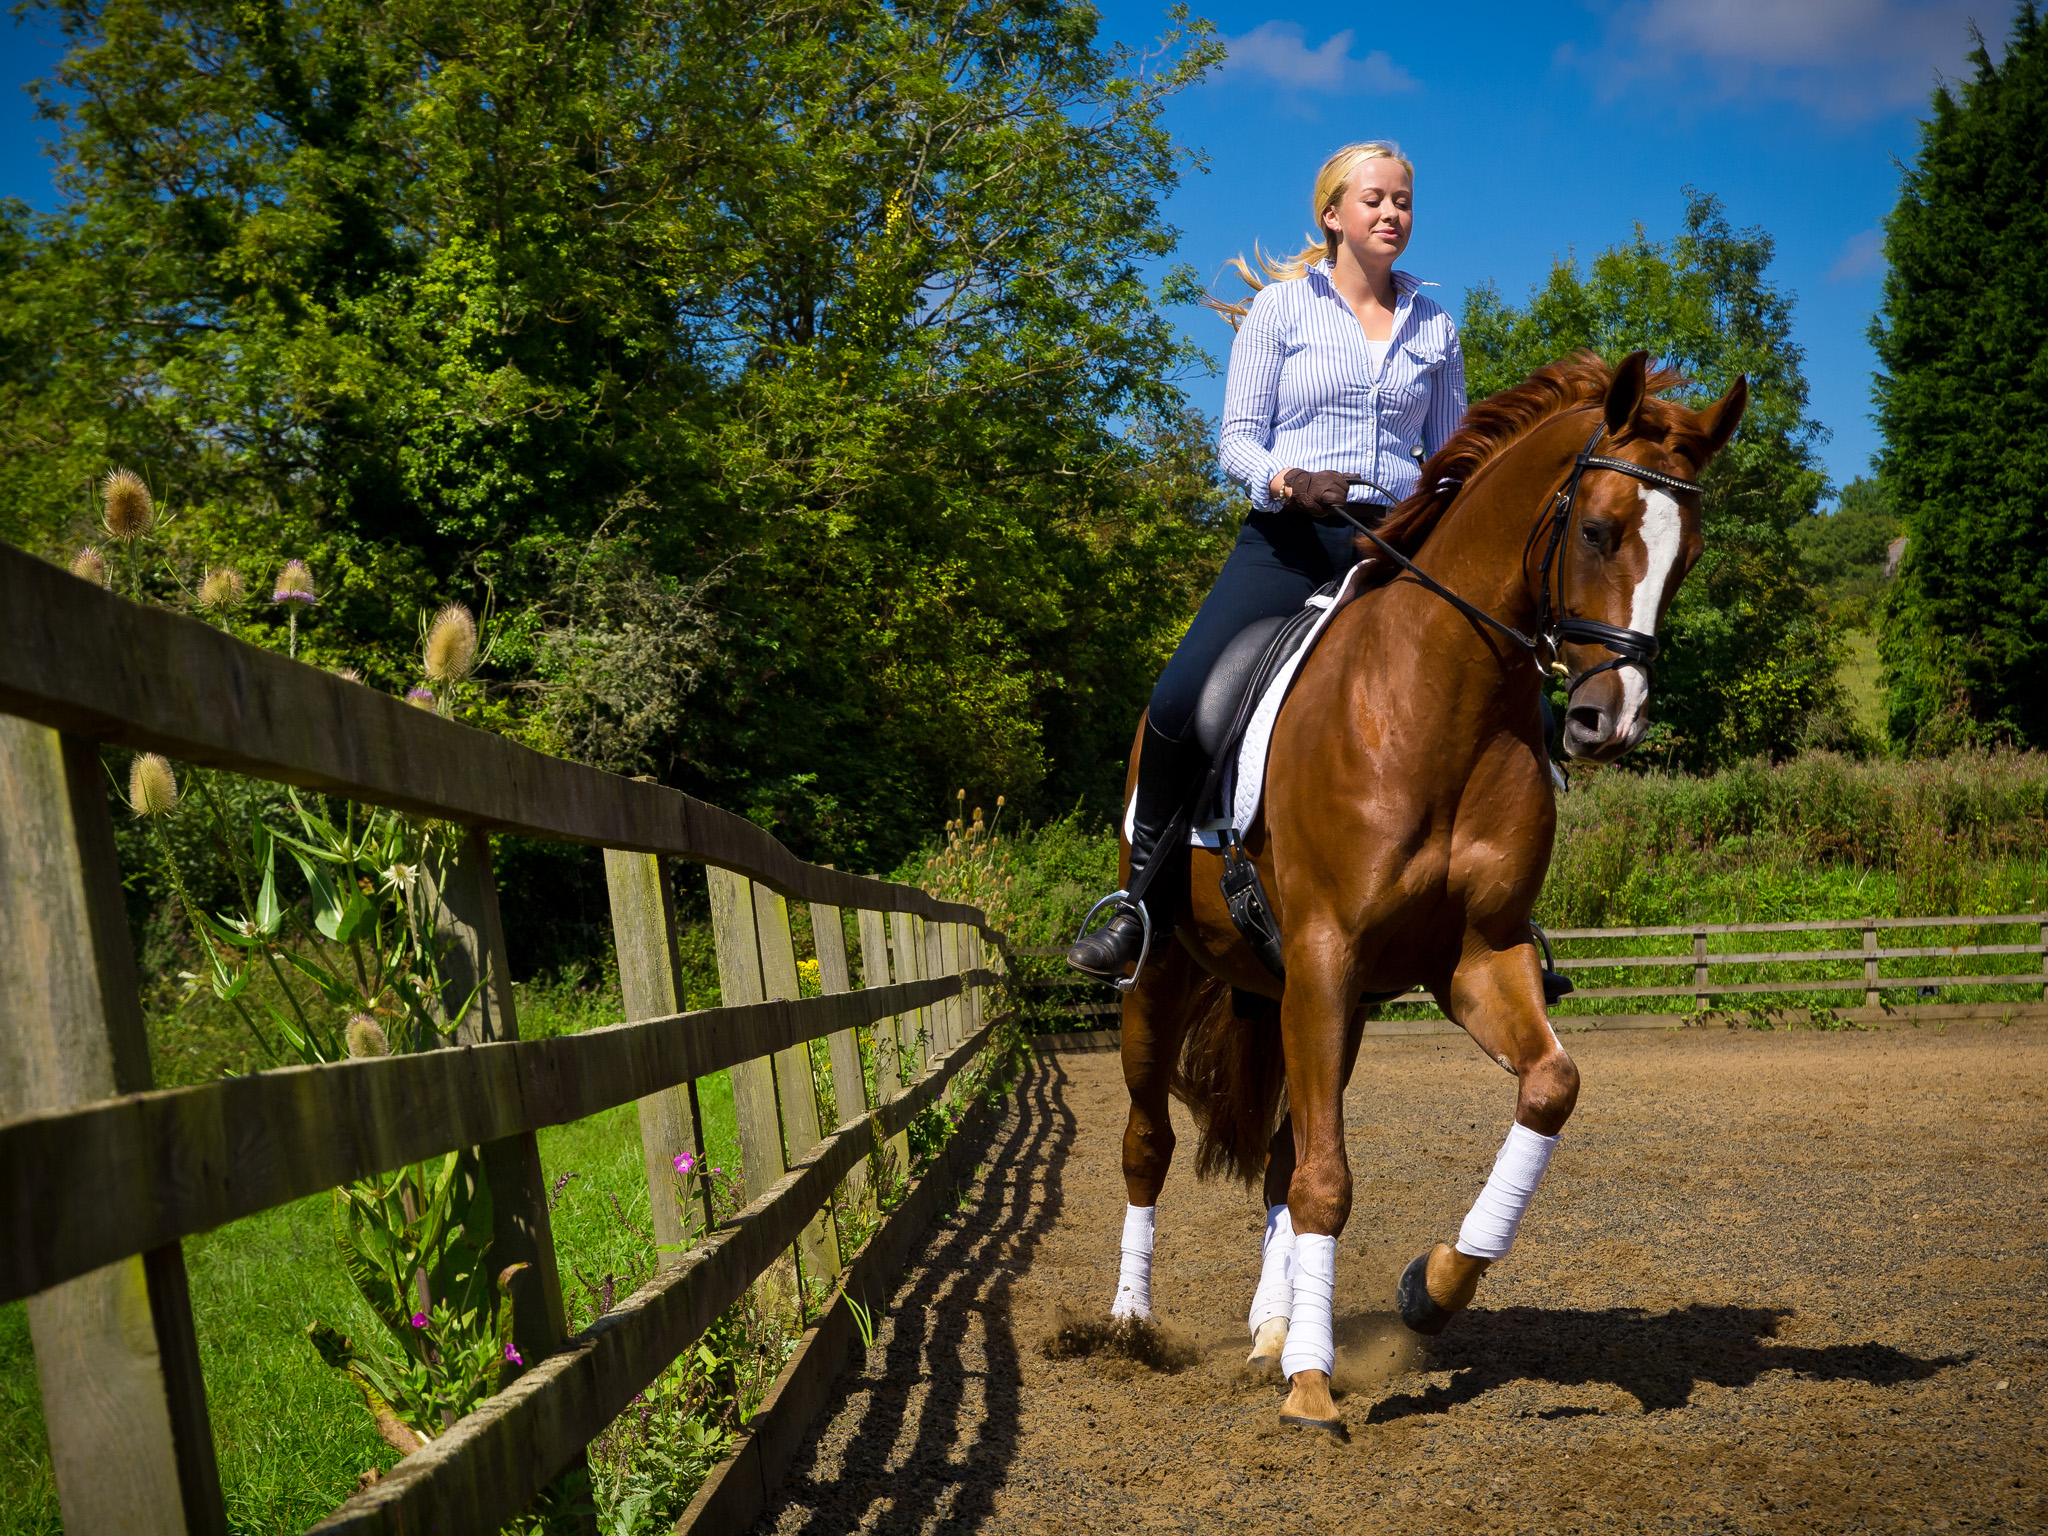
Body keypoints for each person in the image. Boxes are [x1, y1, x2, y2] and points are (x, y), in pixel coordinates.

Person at [1068, 140, 1469, 981]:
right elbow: (1236, 441)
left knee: (1504, 695)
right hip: (1288, 540)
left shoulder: (1437, 328)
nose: (1392, 213)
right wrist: (1291, 479)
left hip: (1394, 548)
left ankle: (1500, 912)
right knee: (1180, 694)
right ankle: (1138, 899)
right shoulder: (1283, 313)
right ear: (1332, 216)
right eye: (1374, 200)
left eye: (1403, 200)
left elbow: (1450, 457)